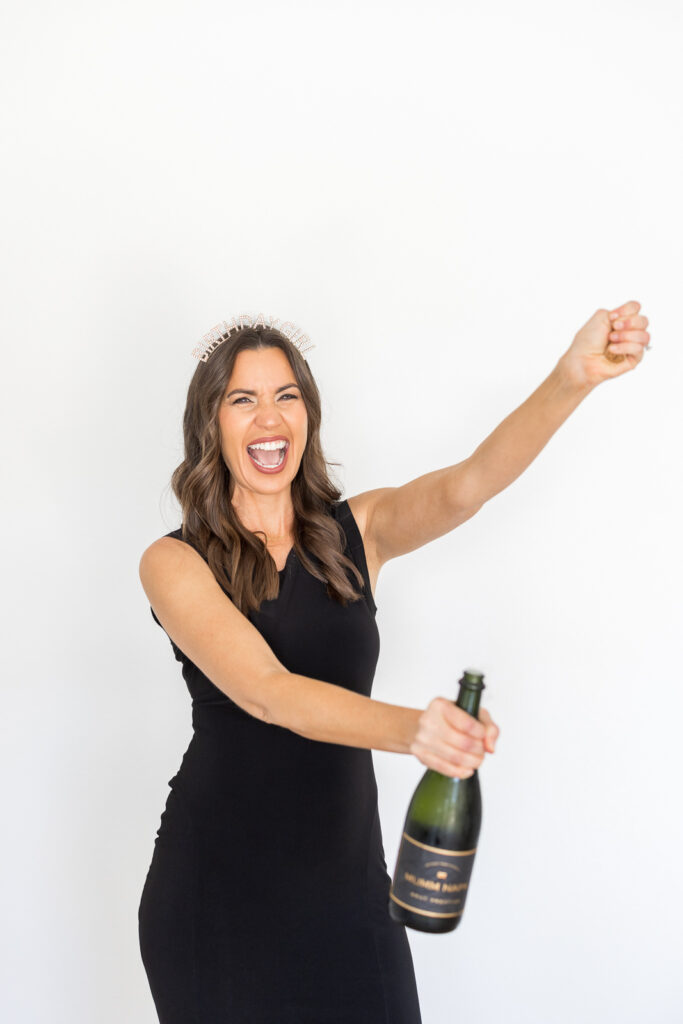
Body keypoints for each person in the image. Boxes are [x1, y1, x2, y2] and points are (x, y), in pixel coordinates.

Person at [137, 303, 650, 1023]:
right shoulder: (173, 561)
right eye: (242, 400)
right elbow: (267, 693)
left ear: (308, 414)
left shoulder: (360, 531)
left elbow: (469, 484)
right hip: (219, 891)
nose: (269, 418)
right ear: (210, 423)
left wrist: (571, 378)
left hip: (348, 888)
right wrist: (414, 731)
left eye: (286, 396)